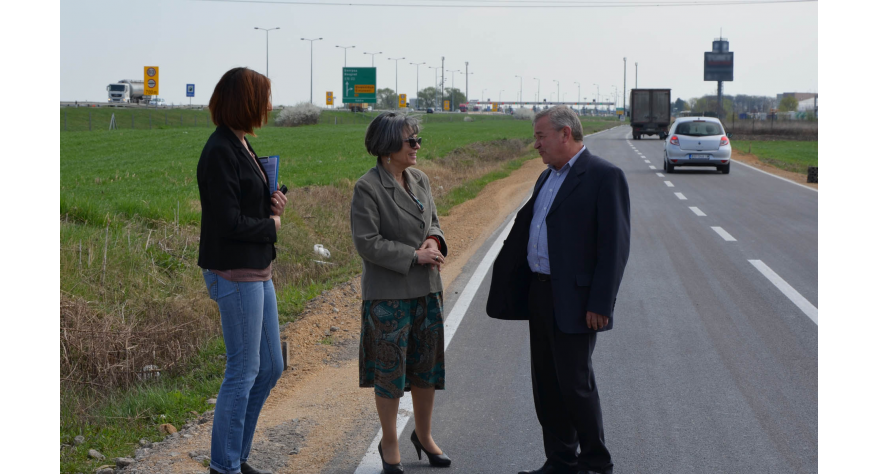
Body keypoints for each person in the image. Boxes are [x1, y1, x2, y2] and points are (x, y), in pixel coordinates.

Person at [487, 106, 631, 474]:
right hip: (540, 293)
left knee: (575, 384)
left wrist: (601, 303)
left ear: (565, 134)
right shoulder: (545, 177)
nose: (536, 144)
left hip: (578, 300)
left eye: (541, 136)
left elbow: (614, 247)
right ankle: (561, 460)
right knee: (546, 384)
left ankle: (596, 462)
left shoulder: (604, 176)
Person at [197, 67, 287, 474]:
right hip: (234, 273)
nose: (269, 105)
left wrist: (272, 204)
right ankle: (224, 465)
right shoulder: (220, 150)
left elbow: (242, 204)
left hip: (257, 269)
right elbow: (226, 223)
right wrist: (271, 226)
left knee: (270, 367)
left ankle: (235, 456)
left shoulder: (242, 144)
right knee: (243, 370)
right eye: (264, 97)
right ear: (246, 101)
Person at [351, 112, 452, 474]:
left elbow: (434, 221)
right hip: (388, 296)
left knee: (426, 370)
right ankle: (390, 441)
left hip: (427, 289)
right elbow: (367, 242)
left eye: (418, 139)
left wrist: (434, 240)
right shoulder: (367, 187)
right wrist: (414, 255)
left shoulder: (420, 179)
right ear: (388, 145)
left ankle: (423, 435)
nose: (417, 146)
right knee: (390, 373)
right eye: (411, 141)